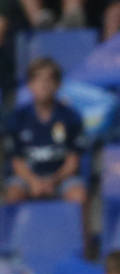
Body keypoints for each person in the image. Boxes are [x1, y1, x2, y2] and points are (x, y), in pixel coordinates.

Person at [5, 57, 86, 206]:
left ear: (58, 85)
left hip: (61, 178)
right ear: (29, 85)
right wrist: (33, 181)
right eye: (37, 80)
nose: (43, 85)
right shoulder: (17, 118)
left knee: (78, 195)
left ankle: (84, 230)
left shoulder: (71, 117)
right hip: (27, 178)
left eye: (49, 80)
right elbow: (17, 161)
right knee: (12, 195)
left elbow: (73, 161)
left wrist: (53, 181)